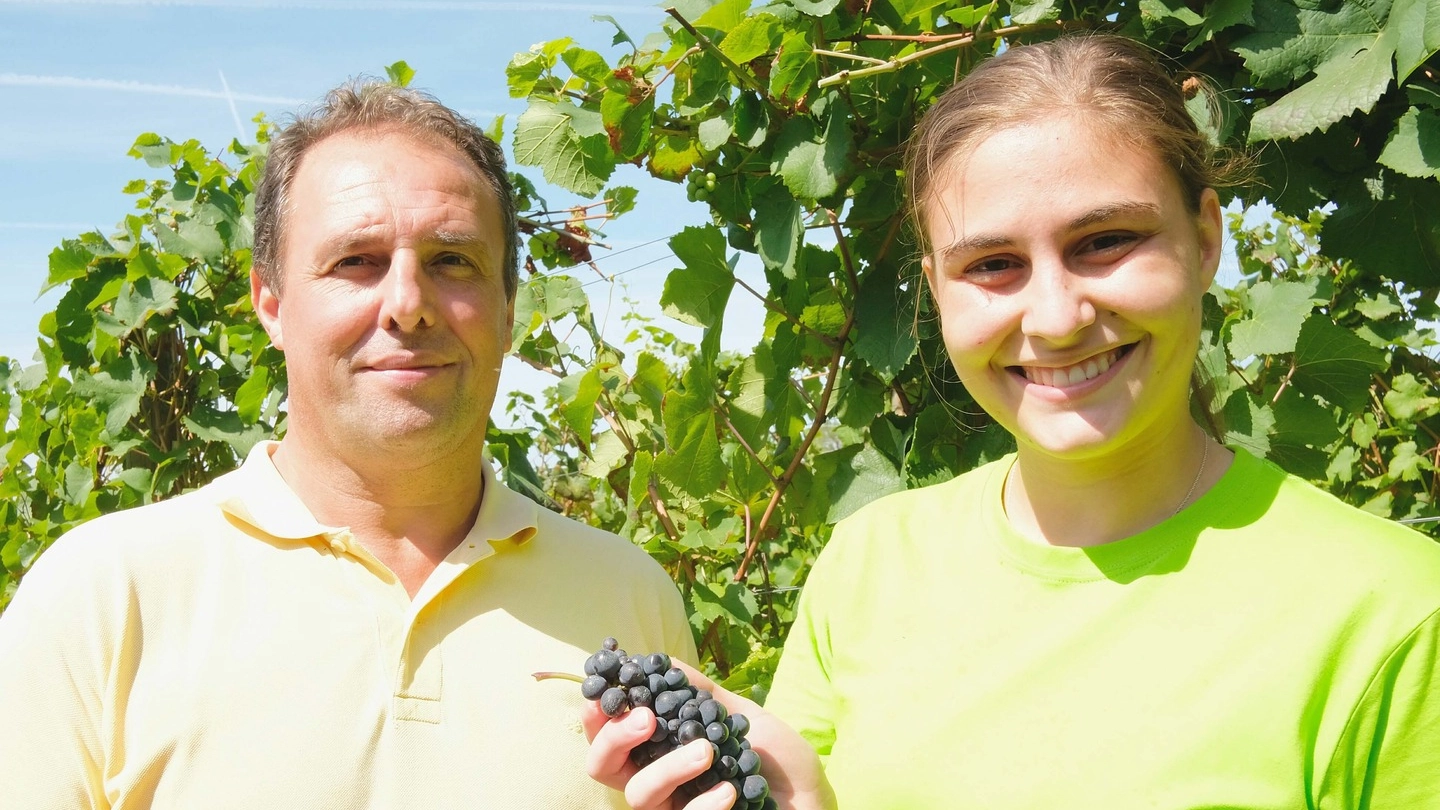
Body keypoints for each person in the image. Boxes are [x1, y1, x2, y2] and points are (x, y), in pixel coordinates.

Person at [584, 34, 1440, 809]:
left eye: (1104, 240)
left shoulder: (1395, 613)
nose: (1057, 317)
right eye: (992, 264)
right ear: (934, 288)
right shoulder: (870, 563)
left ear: (1206, 239)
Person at [0, 81, 696, 809]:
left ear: (508, 308)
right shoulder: (103, 597)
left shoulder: (631, 598)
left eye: (453, 261)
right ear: (271, 304)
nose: (407, 305)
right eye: (355, 262)